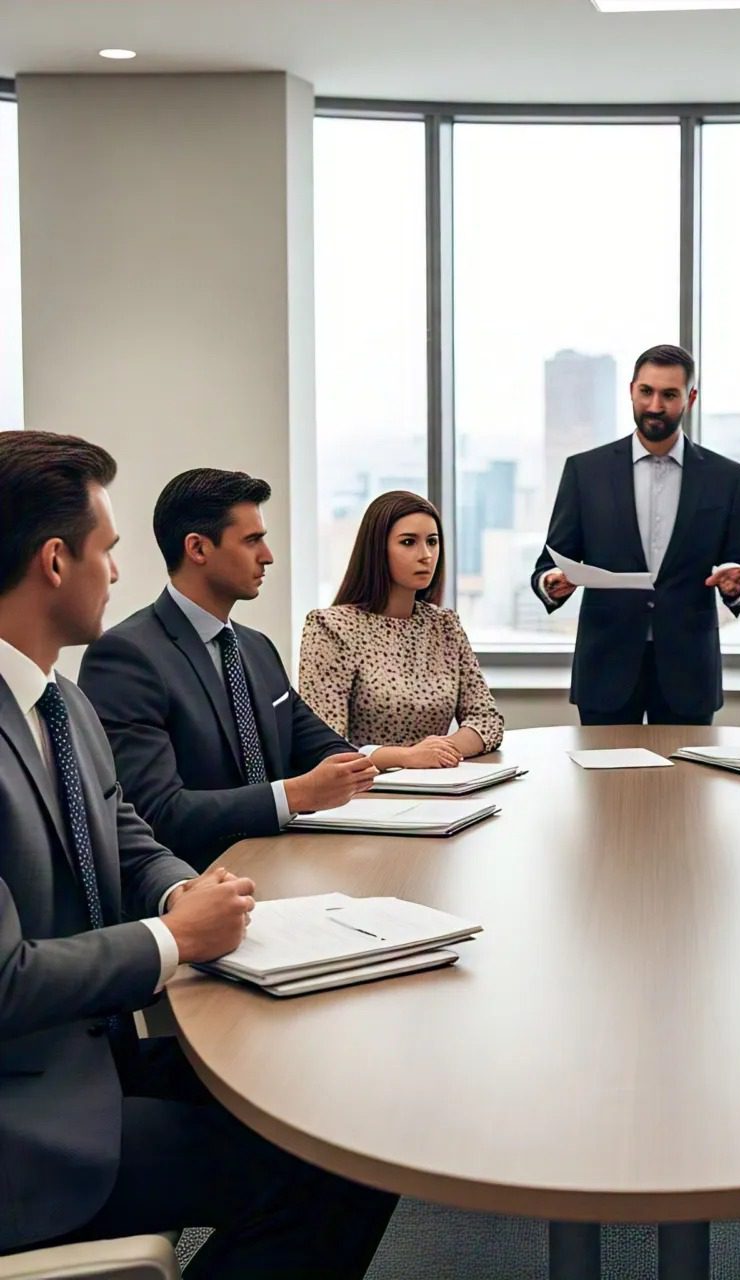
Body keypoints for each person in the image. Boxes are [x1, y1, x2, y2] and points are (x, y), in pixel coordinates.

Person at [0, 430, 396, 1272]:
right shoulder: (89, 680)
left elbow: (128, 833)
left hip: (97, 1053)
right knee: (335, 1170)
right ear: (54, 562)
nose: (117, 570)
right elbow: (6, 981)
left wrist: (182, 894)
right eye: (105, 551)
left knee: (356, 1117)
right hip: (29, 1117)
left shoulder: (59, 702)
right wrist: (176, 941)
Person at [79, 469, 377, 871]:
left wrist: (363, 767)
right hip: (198, 886)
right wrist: (295, 795)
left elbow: (324, 748)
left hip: (281, 865)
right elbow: (156, 813)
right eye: (252, 540)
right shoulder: (126, 656)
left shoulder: (256, 647)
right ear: (198, 548)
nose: (268, 555)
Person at [531, 343, 740, 726]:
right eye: (646, 392)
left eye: (669, 395)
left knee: (687, 786)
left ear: (690, 397)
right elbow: (548, 563)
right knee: (604, 784)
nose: (655, 405)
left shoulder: (726, 478)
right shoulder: (584, 472)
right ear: (631, 390)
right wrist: (551, 582)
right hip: (605, 666)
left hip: (689, 671)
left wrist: (736, 586)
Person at [298, 490, 503, 767]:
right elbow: (325, 746)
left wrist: (437, 752)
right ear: (377, 549)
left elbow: (488, 720)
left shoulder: (445, 625)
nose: (426, 555)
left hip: (438, 785)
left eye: (432, 542)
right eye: (409, 542)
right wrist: (408, 757)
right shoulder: (331, 627)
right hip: (365, 793)